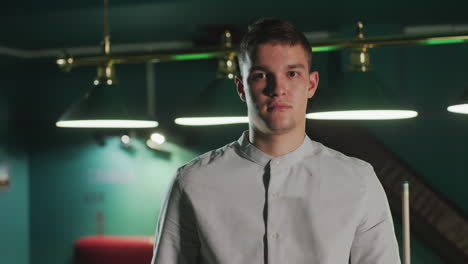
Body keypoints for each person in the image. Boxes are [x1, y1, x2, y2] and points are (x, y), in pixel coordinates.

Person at [151, 18, 401, 264]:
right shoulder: (192, 181)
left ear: (311, 83)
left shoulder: (359, 181)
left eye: (292, 73)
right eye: (261, 75)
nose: (277, 88)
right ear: (241, 87)